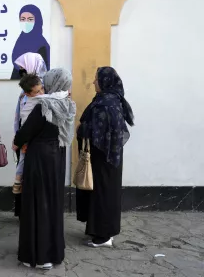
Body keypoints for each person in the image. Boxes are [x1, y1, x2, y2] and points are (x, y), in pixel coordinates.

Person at [13, 68, 76, 269]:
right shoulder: (67, 103)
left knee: (36, 204)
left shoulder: (44, 105)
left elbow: (25, 132)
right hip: (57, 157)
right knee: (52, 203)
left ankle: (38, 256)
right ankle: (52, 253)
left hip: (39, 158)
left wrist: (17, 142)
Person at [76, 66, 134, 248]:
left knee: (103, 195)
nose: (94, 82)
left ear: (105, 81)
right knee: (101, 194)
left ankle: (104, 236)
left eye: (96, 79)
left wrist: (83, 129)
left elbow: (103, 130)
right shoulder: (107, 100)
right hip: (105, 158)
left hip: (105, 158)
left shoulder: (107, 103)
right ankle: (99, 231)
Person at [12, 52, 47, 217]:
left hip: (32, 142)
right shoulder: (26, 91)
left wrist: (22, 139)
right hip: (23, 140)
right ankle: (24, 212)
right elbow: (20, 117)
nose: (21, 71)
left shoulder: (42, 91)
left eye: (23, 68)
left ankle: (29, 214)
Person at [12, 74, 44, 194]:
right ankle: (18, 180)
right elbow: (20, 121)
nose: (41, 93)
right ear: (27, 94)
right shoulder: (25, 102)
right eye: (37, 92)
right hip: (26, 140)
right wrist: (17, 139)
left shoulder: (47, 100)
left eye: (42, 89)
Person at [10, 5, 50, 80]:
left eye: (30, 19)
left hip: (33, 86)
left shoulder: (42, 45)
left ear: (37, 21)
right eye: (23, 19)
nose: (25, 22)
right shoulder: (21, 40)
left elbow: (43, 72)